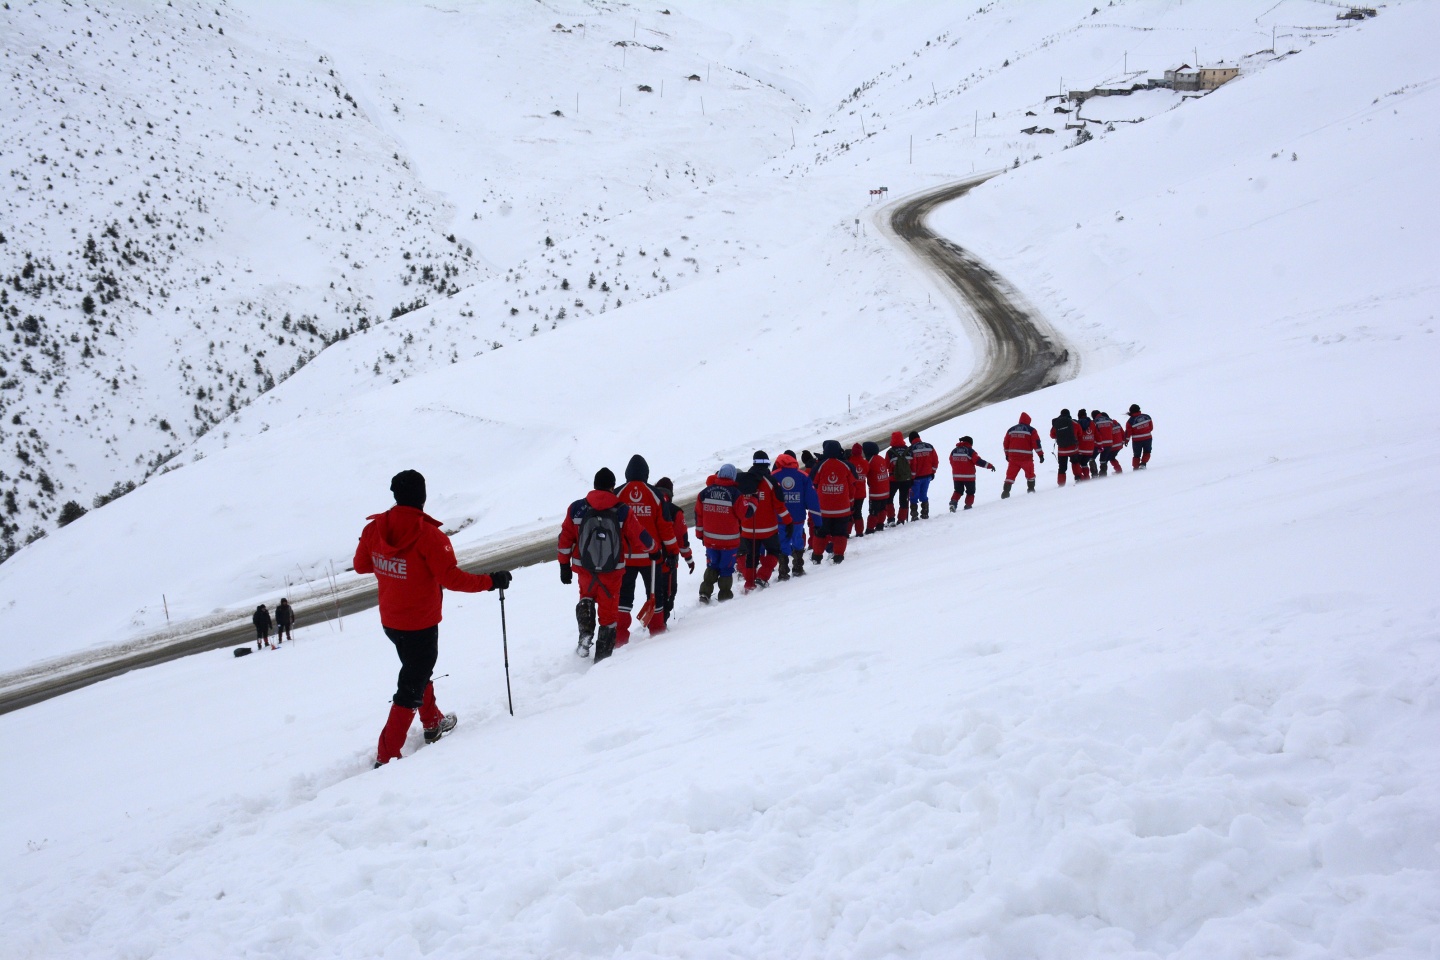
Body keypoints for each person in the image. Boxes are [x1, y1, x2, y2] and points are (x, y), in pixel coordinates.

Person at [354, 469, 510, 767]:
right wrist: (491, 581)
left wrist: (392, 566)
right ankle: (386, 757)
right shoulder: (429, 535)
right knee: (411, 684)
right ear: (422, 497)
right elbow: (451, 579)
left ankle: (433, 723)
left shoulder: (375, 528)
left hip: (391, 619)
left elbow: (362, 565)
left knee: (417, 669)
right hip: (421, 624)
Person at [558, 467, 654, 661]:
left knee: (586, 597)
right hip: (612, 572)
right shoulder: (622, 510)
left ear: (594, 486)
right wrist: (653, 548)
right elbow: (639, 535)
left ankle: (585, 633)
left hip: (585, 568)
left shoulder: (576, 508)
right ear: (612, 487)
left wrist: (564, 565)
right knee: (609, 616)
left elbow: (565, 538)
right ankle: (602, 659)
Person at [614, 454, 678, 645]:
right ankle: (657, 632)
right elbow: (666, 527)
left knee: (623, 598)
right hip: (652, 558)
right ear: (646, 473)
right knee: (655, 595)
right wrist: (673, 552)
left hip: (624, 557)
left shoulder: (617, 494)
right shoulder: (656, 495)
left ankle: (619, 638)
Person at [735, 451, 793, 593]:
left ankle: (749, 584)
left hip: (747, 529)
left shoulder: (742, 481)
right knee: (774, 552)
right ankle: (762, 577)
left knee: (751, 557)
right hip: (768, 529)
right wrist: (788, 522)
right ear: (767, 463)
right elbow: (779, 506)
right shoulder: (770, 481)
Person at [694, 463, 746, 602]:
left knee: (711, 566)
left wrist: (700, 534)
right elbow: (743, 514)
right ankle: (724, 596)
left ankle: (704, 593)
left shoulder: (704, 492)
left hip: (710, 540)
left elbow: (698, 515)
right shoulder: (735, 494)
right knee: (726, 569)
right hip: (730, 541)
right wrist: (752, 501)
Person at [808, 440, 859, 565]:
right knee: (840, 534)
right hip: (842, 509)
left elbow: (812, 485)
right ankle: (838, 557)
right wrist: (851, 503)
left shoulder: (820, 465)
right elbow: (853, 485)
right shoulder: (846, 465)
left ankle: (816, 557)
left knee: (820, 533)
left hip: (823, 510)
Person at [653, 477, 694, 629]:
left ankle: (654, 622)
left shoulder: (649, 506)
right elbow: (682, 540)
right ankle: (660, 626)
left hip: (647, 561)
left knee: (653, 593)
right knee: (668, 593)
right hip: (668, 562)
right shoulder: (675, 511)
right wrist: (689, 559)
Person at [771, 451, 819, 579]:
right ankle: (798, 566)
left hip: (779, 517)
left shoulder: (773, 476)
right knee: (798, 539)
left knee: (782, 541)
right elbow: (812, 499)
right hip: (797, 517)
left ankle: (783, 570)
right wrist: (818, 521)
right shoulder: (802, 476)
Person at [1002, 412, 1044, 498]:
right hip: (1026, 458)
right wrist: (1040, 455)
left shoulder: (1011, 430)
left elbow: (1006, 443)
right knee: (1030, 474)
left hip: (1013, 458)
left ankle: (1005, 493)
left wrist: (1007, 454)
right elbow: (1036, 443)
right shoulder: (1031, 430)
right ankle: (1031, 490)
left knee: (1010, 476)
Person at [948, 436, 996, 511]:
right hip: (969, 477)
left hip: (957, 476)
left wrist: (957, 469)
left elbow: (951, 461)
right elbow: (978, 461)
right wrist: (989, 466)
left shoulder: (954, 451)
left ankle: (953, 503)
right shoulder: (970, 451)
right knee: (970, 492)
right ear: (970, 443)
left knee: (958, 491)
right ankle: (968, 506)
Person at [907, 430, 940, 519]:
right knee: (923, 495)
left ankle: (914, 515)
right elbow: (935, 461)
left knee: (913, 497)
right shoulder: (929, 446)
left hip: (916, 478)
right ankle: (925, 513)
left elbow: (911, 464)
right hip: (927, 476)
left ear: (910, 439)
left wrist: (911, 477)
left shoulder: (911, 449)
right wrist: (932, 472)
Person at [862, 440, 891, 533]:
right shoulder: (881, 459)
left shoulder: (869, 461)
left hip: (876, 491)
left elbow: (864, 473)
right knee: (882, 509)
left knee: (873, 511)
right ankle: (880, 524)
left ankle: (870, 528)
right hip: (885, 489)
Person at [885, 431, 913, 526]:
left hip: (893, 479)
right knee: (903, 499)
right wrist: (911, 478)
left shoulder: (890, 452)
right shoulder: (909, 450)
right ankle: (901, 520)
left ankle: (891, 518)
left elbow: (886, 466)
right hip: (906, 479)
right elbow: (914, 465)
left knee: (889, 499)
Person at [1050, 408, 1083, 486]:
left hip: (1062, 450)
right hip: (1073, 448)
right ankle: (1078, 478)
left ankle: (1061, 483)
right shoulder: (1073, 423)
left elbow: (1052, 435)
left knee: (1062, 467)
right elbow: (1080, 433)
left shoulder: (1057, 423)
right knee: (1075, 462)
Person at [1092, 410, 1123, 476]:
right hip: (1113, 444)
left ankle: (1097, 473)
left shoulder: (1095, 422)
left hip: (1105, 444)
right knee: (1109, 458)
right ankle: (1112, 471)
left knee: (1096, 458)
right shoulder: (1113, 422)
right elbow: (1121, 433)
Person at [847, 442, 868, 537]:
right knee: (858, 513)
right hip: (861, 493)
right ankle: (859, 532)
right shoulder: (865, 462)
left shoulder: (849, 462)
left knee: (849, 514)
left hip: (851, 493)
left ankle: (846, 533)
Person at [1125, 403, 1154, 469]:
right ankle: (1143, 464)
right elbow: (1151, 427)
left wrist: (1126, 441)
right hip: (1148, 438)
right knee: (1147, 452)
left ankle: (1135, 467)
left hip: (1137, 440)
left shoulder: (1130, 421)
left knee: (1136, 455)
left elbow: (1128, 433)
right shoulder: (1147, 417)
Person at [1075, 409, 1096, 480]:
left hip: (1080, 448)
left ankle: (1080, 477)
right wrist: (1099, 445)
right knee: (1084, 464)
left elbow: (1076, 435)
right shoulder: (1092, 423)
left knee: (1077, 463)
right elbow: (1097, 435)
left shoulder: (1077, 424)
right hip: (1090, 449)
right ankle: (1087, 477)